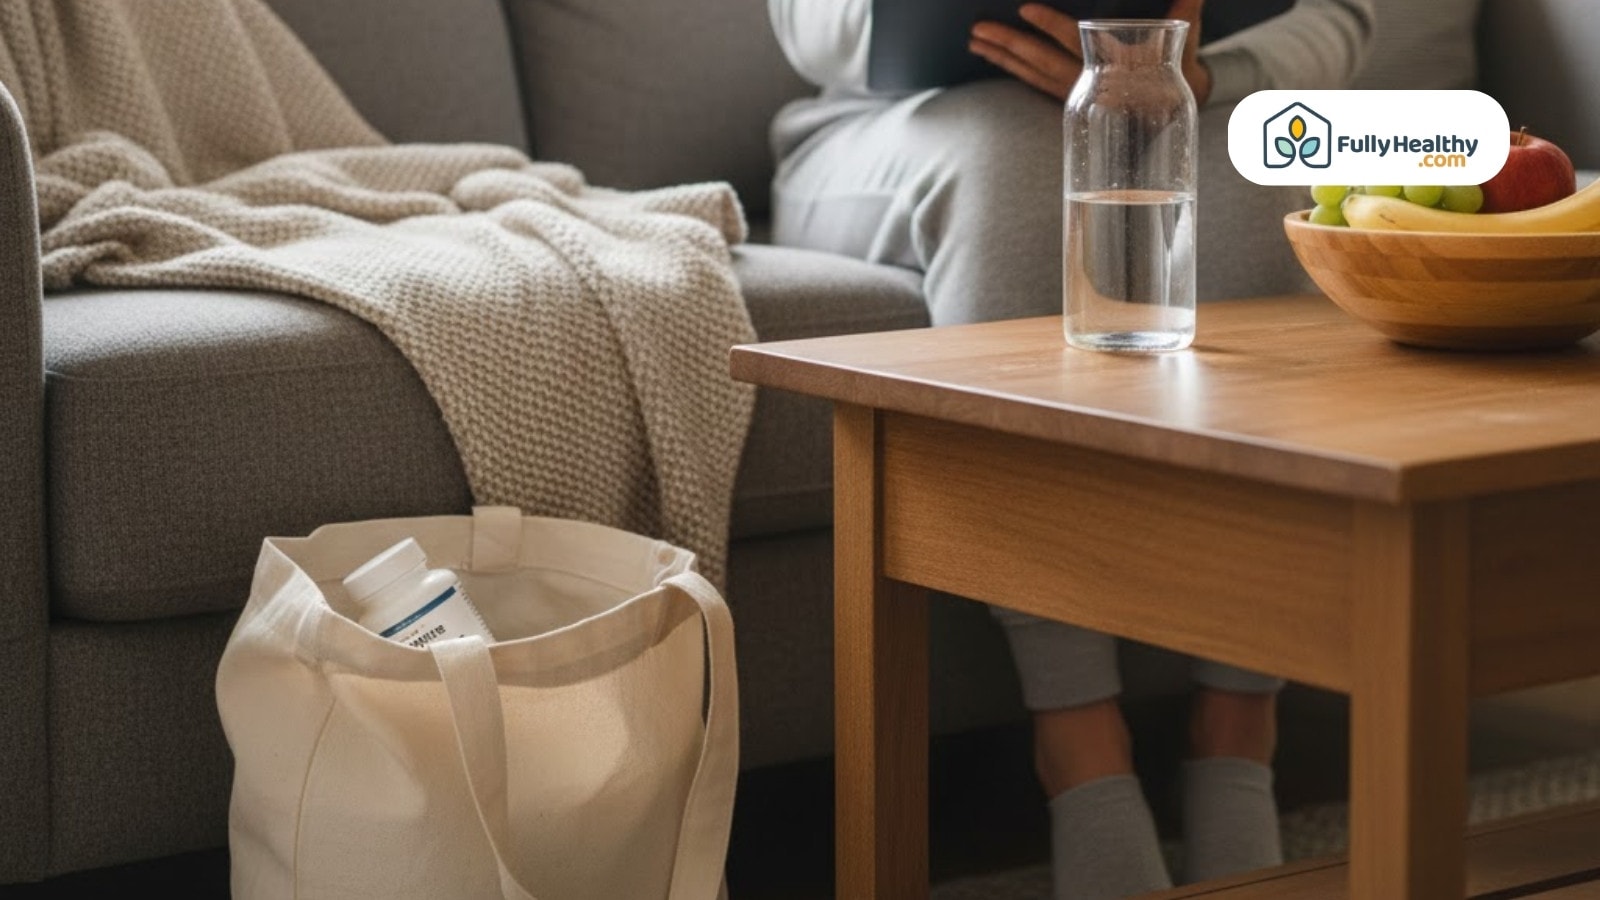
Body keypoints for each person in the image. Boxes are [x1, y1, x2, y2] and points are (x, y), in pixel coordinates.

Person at [765, 1, 1374, 897]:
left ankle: (1239, 727)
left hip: (1180, 82)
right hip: (897, 121)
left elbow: (1342, 15)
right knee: (1021, 159)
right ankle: (1080, 745)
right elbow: (808, 25)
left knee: (1243, 162)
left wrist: (1194, 78)